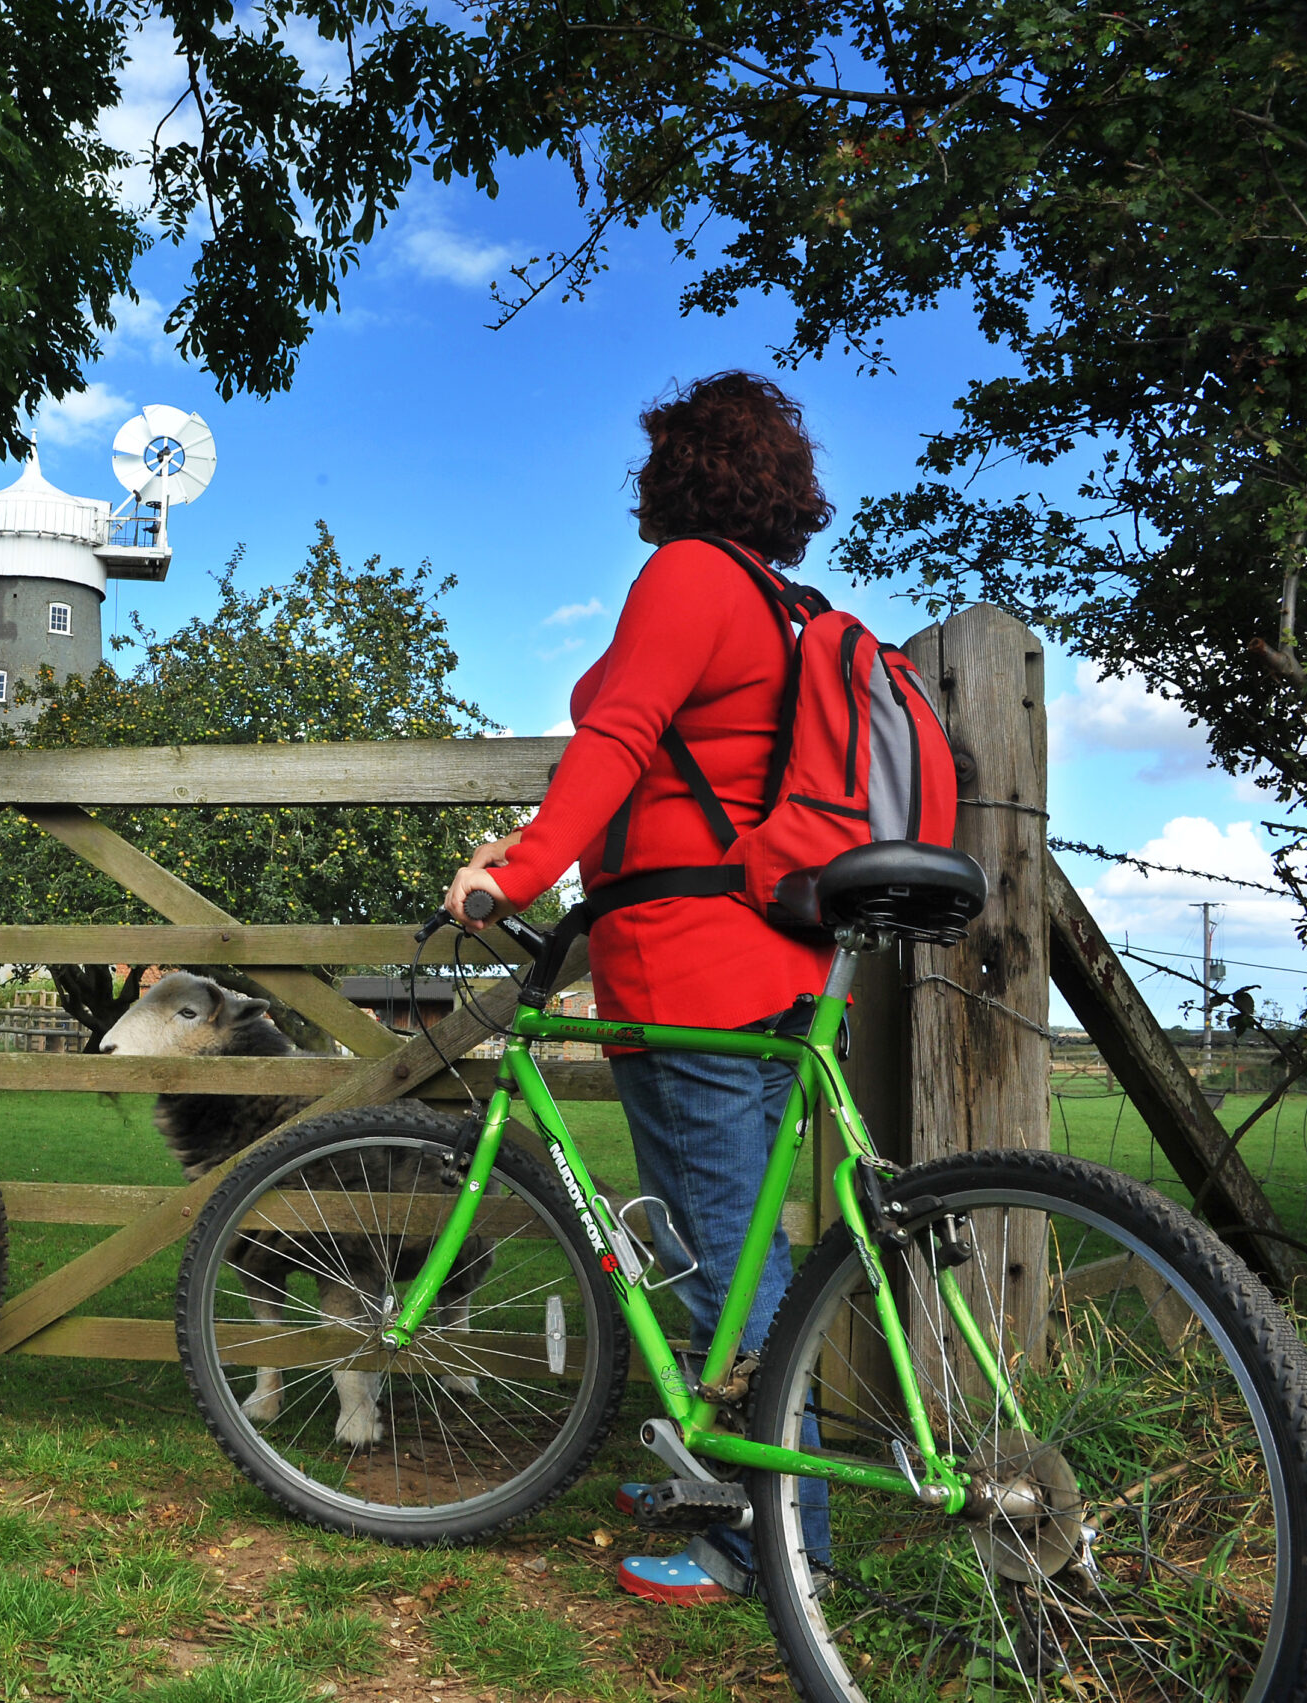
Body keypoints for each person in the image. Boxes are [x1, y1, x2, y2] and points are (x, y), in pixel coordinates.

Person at [444, 371, 835, 1604]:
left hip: (691, 959)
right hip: (745, 953)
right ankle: (736, 1485)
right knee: (735, 1248)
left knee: (731, 1264)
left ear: (678, 469)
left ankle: (774, 1546)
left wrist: (513, 868)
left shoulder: (689, 577)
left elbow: (617, 738)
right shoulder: (776, 600)